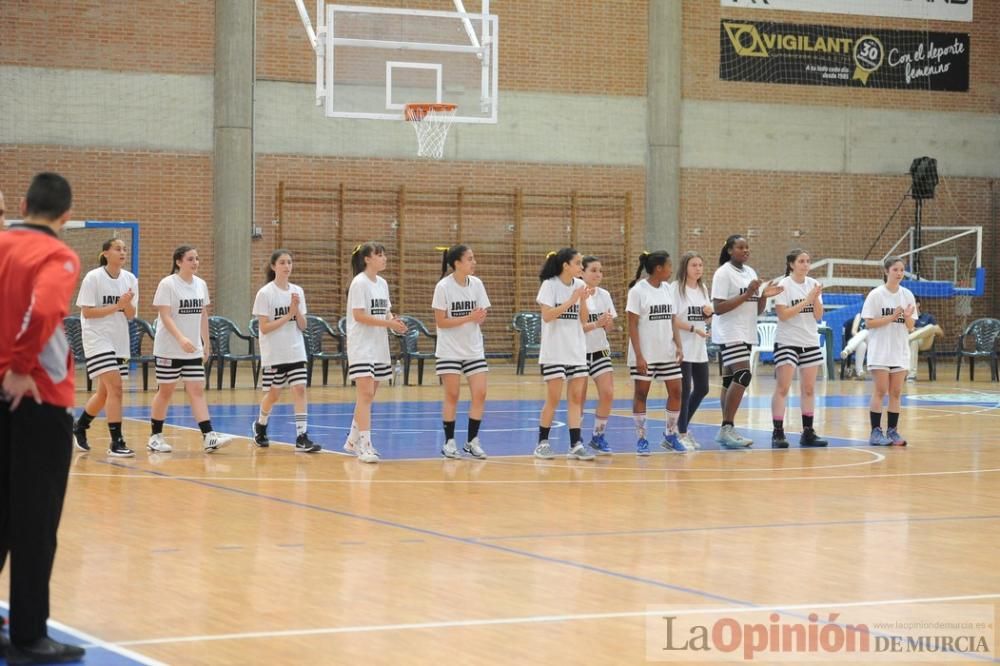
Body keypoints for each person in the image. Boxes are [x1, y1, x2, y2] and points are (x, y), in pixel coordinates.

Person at [0, 173, 86, 662]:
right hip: (38, 397)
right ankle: (29, 635)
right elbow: (47, 309)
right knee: (36, 521)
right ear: (66, 215)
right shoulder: (57, 255)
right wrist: (18, 367)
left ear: (25, 203)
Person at [147, 246, 233, 454]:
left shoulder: (200, 284)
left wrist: (205, 343)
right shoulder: (168, 284)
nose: (195, 262)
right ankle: (155, 437)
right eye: (190, 259)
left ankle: (208, 436)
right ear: (178, 262)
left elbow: (203, 315)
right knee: (165, 391)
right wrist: (181, 338)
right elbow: (165, 316)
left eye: (197, 259)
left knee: (196, 390)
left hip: (192, 349)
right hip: (169, 349)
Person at [711, 235, 782, 448]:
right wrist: (749, 292)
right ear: (730, 250)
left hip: (747, 330)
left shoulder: (750, 272)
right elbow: (718, 307)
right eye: (741, 247)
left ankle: (726, 429)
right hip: (730, 331)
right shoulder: (723, 273)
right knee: (744, 374)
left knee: (729, 379)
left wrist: (763, 296)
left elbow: (757, 310)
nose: (745, 250)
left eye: (747, 247)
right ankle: (727, 426)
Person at [342, 242, 408, 464]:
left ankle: (352, 440)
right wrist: (387, 324)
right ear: (367, 259)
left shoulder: (383, 283)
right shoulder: (359, 283)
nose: (384, 258)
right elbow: (359, 316)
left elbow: (386, 311)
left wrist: (394, 322)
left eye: (384, 254)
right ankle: (365, 445)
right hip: (361, 345)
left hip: (379, 345)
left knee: (370, 395)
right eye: (379, 255)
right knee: (365, 394)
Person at [71, 239, 138, 457]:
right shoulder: (94, 277)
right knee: (116, 388)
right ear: (105, 253)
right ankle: (116, 442)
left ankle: (79, 427)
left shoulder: (130, 279)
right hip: (96, 337)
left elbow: (131, 315)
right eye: (118, 249)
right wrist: (116, 305)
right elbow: (88, 312)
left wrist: (126, 304)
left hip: (118, 339)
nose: (123, 252)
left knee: (104, 392)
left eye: (125, 249)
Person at [251, 250, 321, 453]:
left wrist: (296, 310)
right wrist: (288, 314)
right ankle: (261, 426)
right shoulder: (265, 293)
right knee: (273, 394)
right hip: (275, 352)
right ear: (274, 266)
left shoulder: (297, 291)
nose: (287, 266)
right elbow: (264, 328)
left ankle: (301, 436)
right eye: (282, 262)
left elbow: (303, 325)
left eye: (289, 262)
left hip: (296, 349)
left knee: (299, 389)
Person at [534, 248, 595, 461]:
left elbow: (584, 320)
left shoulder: (580, 285)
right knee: (553, 398)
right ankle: (542, 443)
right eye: (578, 263)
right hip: (554, 352)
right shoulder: (549, 285)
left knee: (576, 398)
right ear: (565, 266)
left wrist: (583, 300)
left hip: (576, 350)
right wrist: (572, 300)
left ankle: (576, 444)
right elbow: (548, 316)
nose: (581, 267)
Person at [626, 251, 687, 455]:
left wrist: (679, 345)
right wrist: (639, 356)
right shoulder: (638, 291)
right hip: (645, 353)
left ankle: (670, 435)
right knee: (642, 393)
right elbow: (632, 325)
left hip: (667, 352)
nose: (671, 270)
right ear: (659, 268)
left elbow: (672, 319)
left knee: (677, 391)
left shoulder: (668, 289)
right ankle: (641, 439)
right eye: (669, 266)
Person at [433, 244, 490, 460]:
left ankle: (472, 440)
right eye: (470, 259)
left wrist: (479, 317)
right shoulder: (443, 287)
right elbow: (441, 321)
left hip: (473, 348)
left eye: (474, 258)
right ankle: (449, 442)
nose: (474, 262)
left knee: (480, 393)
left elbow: (481, 315)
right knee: (452, 395)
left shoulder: (477, 284)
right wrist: (469, 318)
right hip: (449, 351)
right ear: (457, 263)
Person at [771, 249, 829, 448]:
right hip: (787, 341)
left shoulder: (813, 284)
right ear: (791, 265)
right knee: (783, 387)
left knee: (809, 388)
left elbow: (818, 315)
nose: (806, 264)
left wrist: (814, 299)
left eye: (808, 261)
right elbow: (783, 315)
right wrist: (807, 299)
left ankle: (808, 431)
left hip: (809, 341)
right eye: (801, 261)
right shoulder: (783, 285)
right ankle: (778, 431)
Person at [862, 256, 916, 446]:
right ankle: (875, 432)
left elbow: (910, 327)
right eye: (895, 270)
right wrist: (892, 317)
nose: (899, 273)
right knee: (880, 390)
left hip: (899, 350)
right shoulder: (876, 295)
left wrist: (907, 317)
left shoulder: (907, 295)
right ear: (886, 271)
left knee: (896, 392)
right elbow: (869, 323)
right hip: (880, 350)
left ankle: (892, 431)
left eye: (902, 270)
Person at [674, 251, 712, 450]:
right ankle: (681, 433)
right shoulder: (676, 289)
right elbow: (672, 319)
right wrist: (692, 329)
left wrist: (708, 318)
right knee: (684, 390)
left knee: (703, 388)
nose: (698, 268)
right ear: (685, 268)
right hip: (682, 345)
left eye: (700, 265)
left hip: (699, 347)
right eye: (694, 265)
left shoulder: (703, 288)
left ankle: (681, 427)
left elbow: (706, 316)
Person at [580, 255, 617, 455]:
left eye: (600, 271)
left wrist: (608, 322)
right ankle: (575, 439)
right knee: (580, 396)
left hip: (600, 350)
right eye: (593, 270)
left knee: (608, 393)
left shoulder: (604, 295)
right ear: (582, 272)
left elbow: (609, 327)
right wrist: (597, 323)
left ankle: (598, 436)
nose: (598, 274)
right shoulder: (577, 294)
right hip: (579, 352)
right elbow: (576, 328)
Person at [907, 297, 942, 381]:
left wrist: (921, 330)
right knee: (913, 341)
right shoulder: (906, 318)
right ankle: (912, 375)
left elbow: (941, 333)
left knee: (930, 327)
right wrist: (910, 329)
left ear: (918, 304)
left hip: (925, 342)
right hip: (911, 344)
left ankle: (909, 338)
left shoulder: (928, 317)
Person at [841, 314, 869, 380]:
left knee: (865, 331)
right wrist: (861, 338)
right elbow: (853, 331)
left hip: (873, 344)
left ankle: (847, 349)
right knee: (862, 345)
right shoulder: (859, 316)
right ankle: (859, 372)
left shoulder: (875, 316)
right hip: (859, 342)